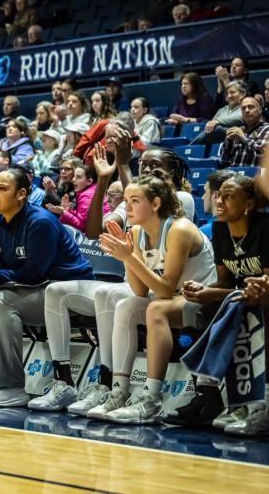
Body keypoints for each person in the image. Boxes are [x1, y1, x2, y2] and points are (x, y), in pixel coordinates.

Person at [0, 168, 95, 406]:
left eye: (2, 189)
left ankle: (11, 387)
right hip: (35, 287)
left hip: (67, 289)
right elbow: (2, 269)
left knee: (3, 301)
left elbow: (32, 274)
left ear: (21, 193)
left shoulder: (40, 222)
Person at [88, 169, 216, 423]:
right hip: (175, 299)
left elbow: (166, 290)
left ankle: (151, 400)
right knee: (126, 305)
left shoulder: (179, 229)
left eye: (135, 201)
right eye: (126, 200)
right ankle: (119, 392)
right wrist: (128, 256)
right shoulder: (135, 233)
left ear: (156, 203)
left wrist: (128, 257)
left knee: (156, 309)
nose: (127, 207)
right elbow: (140, 290)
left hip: (204, 300)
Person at [165, 175, 269, 429]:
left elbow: (265, 286)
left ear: (248, 204)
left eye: (228, 196)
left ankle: (259, 406)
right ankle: (209, 396)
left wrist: (216, 294)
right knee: (194, 307)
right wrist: (203, 290)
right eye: (219, 195)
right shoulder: (221, 228)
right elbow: (225, 282)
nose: (219, 201)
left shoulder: (265, 228)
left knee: (253, 309)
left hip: (263, 299)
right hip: (244, 297)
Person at [47, 165, 110, 235]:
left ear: (89, 181)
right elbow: (83, 219)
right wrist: (68, 212)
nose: (73, 179)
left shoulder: (87, 196)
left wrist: (64, 212)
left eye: (78, 177)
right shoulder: (92, 191)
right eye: (74, 176)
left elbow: (81, 227)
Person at [219, 97, 269, 168]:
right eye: (243, 108)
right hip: (234, 175)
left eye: (250, 107)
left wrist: (243, 137)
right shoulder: (239, 130)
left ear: (260, 110)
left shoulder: (267, 129)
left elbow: (262, 157)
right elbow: (224, 159)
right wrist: (228, 141)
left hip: (254, 176)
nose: (247, 110)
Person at [198, 169, 237, 239]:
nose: (203, 197)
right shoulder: (244, 229)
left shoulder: (201, 234)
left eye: (205, 192)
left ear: (216, 196)